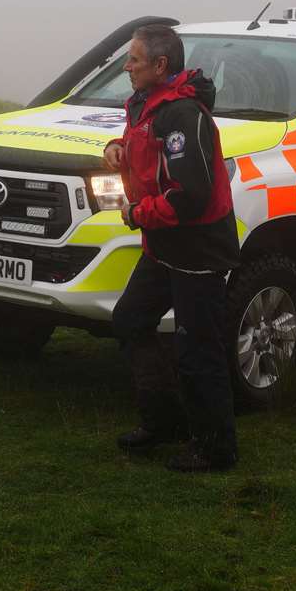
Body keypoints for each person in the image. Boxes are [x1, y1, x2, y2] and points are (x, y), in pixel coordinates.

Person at [104, 24, 240, 472]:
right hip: (165, 245)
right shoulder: (146, 104)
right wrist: (116, 148)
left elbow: (192, 195)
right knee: (130, 319)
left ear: (161, 66)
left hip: (198, 248)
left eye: (134, 60)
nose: (126, 66)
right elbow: (142, 144)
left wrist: (138, 214)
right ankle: (164, 421)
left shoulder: (184, 114)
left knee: (198, 348)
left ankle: (215, 447)